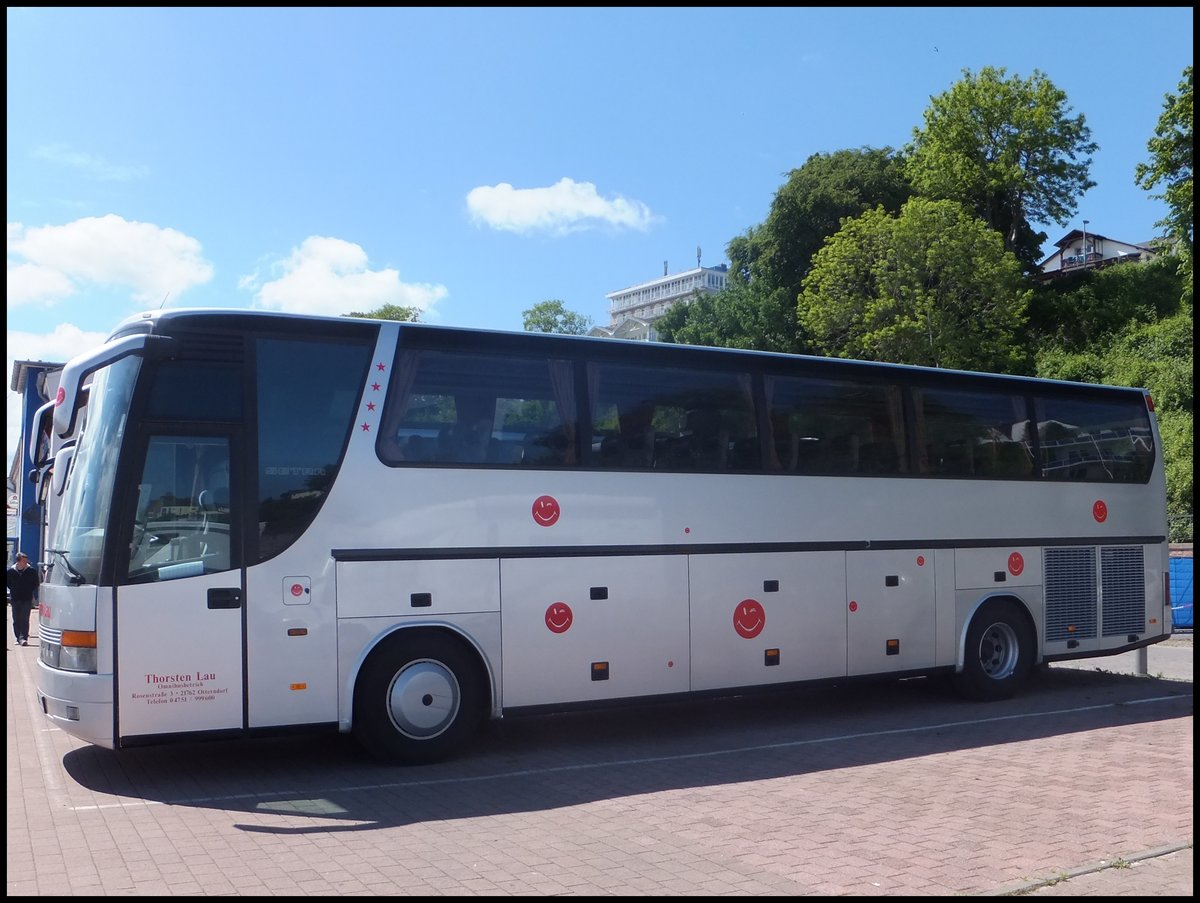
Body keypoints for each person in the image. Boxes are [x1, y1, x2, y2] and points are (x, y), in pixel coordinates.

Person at [6, 552, 40, 647]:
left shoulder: (31, 571)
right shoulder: (11, 571)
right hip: (15, 598)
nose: (26, 562)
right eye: (24, 561)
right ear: (18, 561)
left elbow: (35, 583)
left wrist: (29, 590)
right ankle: (18, 637)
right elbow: (8, 583)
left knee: (25, 618)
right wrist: (14, 590)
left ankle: (24, 638)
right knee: (16, 618)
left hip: (27, 598)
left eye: (26, 560)